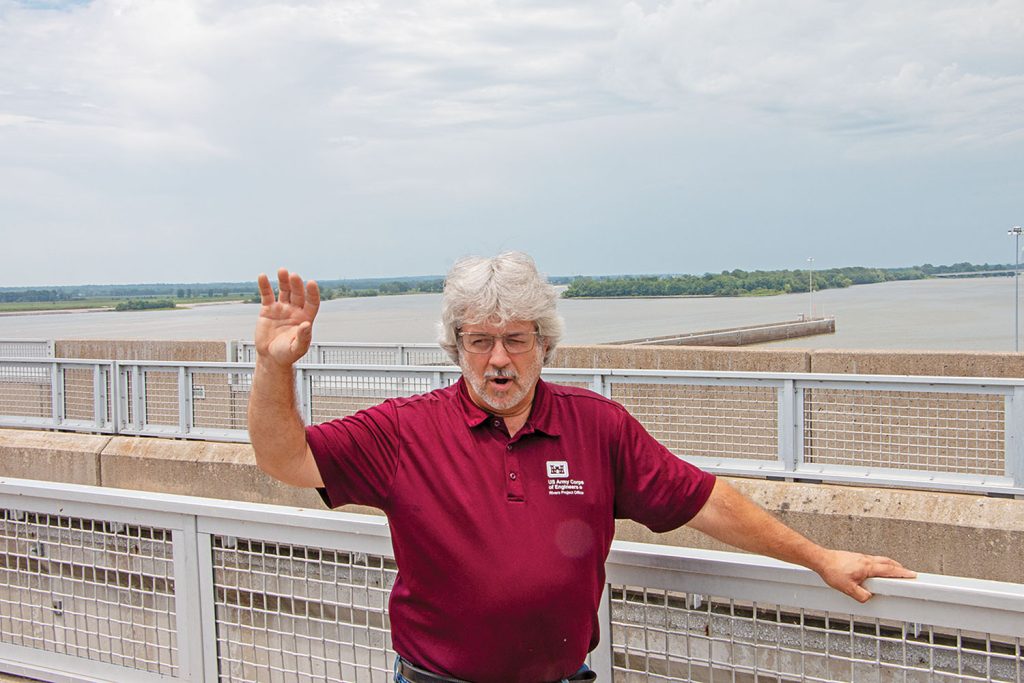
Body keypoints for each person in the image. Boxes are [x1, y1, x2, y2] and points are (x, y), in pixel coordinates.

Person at [248, 252, 915, 683]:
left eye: (516, 338)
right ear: (458, 348)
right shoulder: (405, 429)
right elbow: (286, 458)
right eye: (481, 341)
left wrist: (818, 556)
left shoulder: (596, 425)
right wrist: (275, 365)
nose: (499, 358)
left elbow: (704, 498)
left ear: (545, 344)